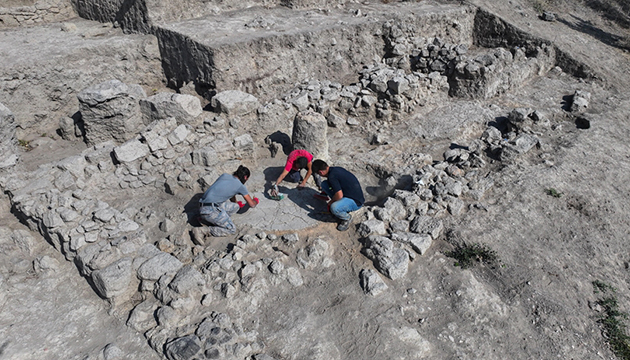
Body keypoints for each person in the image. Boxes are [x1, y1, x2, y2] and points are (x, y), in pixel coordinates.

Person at [198, 165, 258, 237]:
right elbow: (251, 204)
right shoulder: (240, 186)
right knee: (231, 229)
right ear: (245, 177)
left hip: (202, 206)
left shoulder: (224, 176)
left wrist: (235, 202)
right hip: (210, 211)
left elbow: (230, 192)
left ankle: (207, 220)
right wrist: (255, 200)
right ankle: (203, 230)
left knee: (236, 206)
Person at [311, 159, 364, 231]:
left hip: (356, 202)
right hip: (350, 194)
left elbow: (339, 195)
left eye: (318, 174)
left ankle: (347, 218)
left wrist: (330, 202)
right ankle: (339, 203)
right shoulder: (334, 169)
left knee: (334, 208)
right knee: (324, 184)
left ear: (321, 172)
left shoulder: (332, 177)